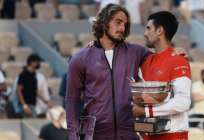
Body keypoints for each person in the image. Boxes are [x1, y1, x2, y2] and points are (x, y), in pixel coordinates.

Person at [66, 4, 186, 140]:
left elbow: (161, 58)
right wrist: (73, 135)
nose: (122, 28)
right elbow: (72, 101)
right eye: (118, 22)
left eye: (125, 24)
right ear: (104, 22)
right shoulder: (80, 58)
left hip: (129, 133)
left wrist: (175, 52)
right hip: (95, 134)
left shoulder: (136, 52)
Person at [132, 11, 191, 140]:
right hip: (148, 135)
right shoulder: (145, 61)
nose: (145, 33)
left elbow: (183, 102)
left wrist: (147, 112)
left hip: (173, 136)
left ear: (159, 31)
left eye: (148, 28)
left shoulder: (178, 60)